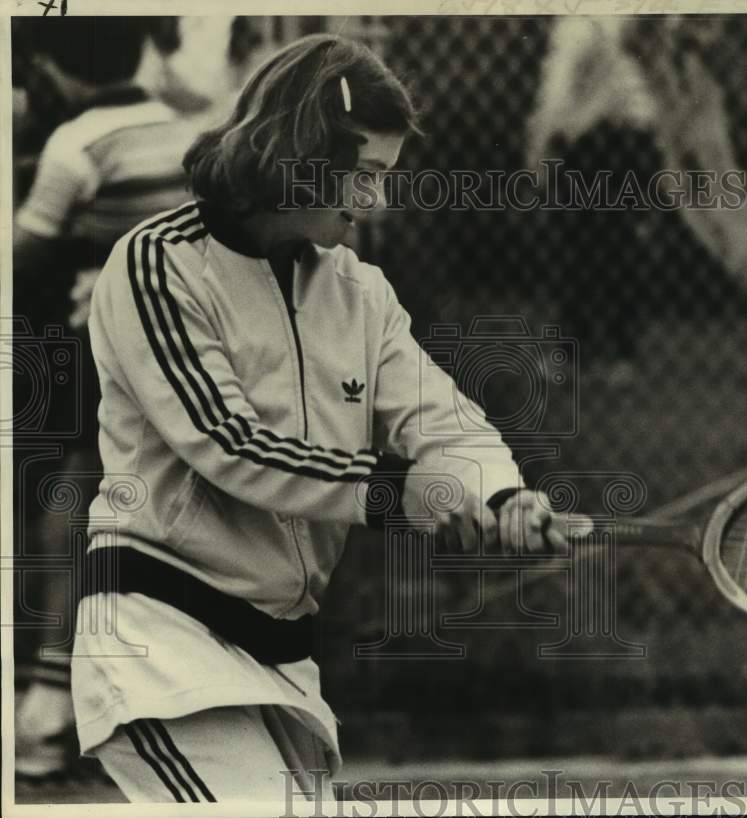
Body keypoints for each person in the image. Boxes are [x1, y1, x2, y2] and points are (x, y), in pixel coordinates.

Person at [72, 33, 569, 804]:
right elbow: (230, 443)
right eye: (364, 175)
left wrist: (502, 496)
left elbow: (443, 421)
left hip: (282, 654)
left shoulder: (358, 290)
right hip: (162, 643)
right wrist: (404, 493)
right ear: (299, 150)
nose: (376, 202)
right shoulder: (155, 265)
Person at [12, 16, 217, 781]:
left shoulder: (79, 145)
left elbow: (19, 255)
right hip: (194, 355)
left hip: (112, 355)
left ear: (58, 73)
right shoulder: (188, 132)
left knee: (73, 493)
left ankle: (46, 705)